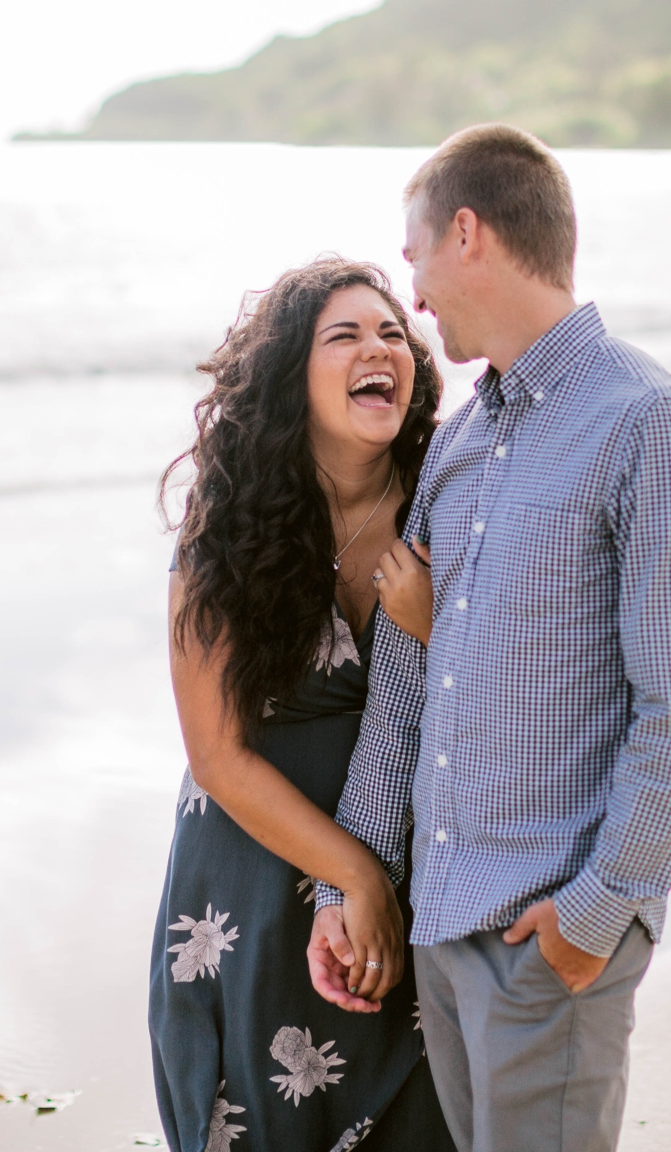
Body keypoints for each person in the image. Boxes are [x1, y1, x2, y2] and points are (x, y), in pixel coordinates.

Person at [308, 124, 671, 1152]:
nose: (412, 298)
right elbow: (403, 697)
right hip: (444, 929)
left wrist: (599, 909)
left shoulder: (647, 424)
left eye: (413, 260)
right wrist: (345, 881)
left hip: (549, 929)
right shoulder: (457, 446)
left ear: (468, 234)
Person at [149, 258, 459, 1152]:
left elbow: (521, 684)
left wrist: (441, 628)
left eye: (395, 332)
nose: (381, 349)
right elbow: (216, 752)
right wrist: (353, 876)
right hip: (251, 883)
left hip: (419, 868)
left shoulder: (452, 503)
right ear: (294, 375)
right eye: (347, 335)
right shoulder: (228, 526)